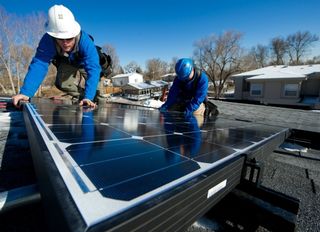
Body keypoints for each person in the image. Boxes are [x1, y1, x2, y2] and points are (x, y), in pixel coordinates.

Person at [12, 4, 101, 108]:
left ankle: (90, 97)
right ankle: (82, 96)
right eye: (60, 39)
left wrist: (89, 96)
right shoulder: (48, 40)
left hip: (84, 64)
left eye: (69, 38)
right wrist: (26, 93)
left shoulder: (85, 41)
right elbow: (39, 65)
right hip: (68, 62)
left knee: (97, 92)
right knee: (61, 83)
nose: (65, 43)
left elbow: (93, 69)